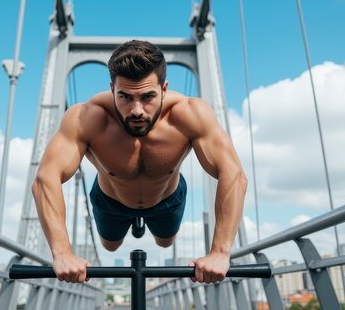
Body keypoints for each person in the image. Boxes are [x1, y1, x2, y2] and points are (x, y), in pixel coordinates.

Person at [32, 40, 247, 284]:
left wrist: (220, 252)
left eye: (147, 97)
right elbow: (44, 179)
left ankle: (157, 228)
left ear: (164, 89)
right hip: (111, 202)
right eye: (124, 96)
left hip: (167, 199)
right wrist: (62, 253)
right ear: (112, 88)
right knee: (110, 246)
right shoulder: (88, 117)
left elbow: (233, 173)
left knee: (165, 241)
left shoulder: (189, 113)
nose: (136, 110)